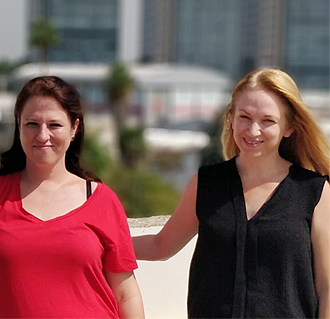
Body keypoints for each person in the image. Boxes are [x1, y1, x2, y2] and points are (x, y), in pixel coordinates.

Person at [132, 68, 330, 318]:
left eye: (267, 121)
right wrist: (95, 243)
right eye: (244, 117)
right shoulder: (207, 183)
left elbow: (327, 286)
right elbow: (161, 245)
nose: (253, 130)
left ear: (289, 128)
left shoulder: (315, 191)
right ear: (231, 119)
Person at [0, 76, 145, 318]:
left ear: (74, 129)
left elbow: (127, 294)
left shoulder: (103, 200)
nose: (42, 136)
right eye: (32, 124)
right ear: (18, 125)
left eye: (54, 125)